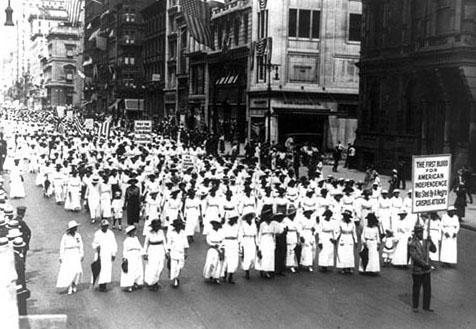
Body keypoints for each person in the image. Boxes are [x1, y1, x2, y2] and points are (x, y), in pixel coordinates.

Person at [409, 224, 436, 313]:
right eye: (419, 232)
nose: (421, 234)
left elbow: (434, 250)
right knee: (416, 288)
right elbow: (415, 257)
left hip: (426, 270)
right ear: (416, 233)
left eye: (422, 232)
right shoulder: (412, 243)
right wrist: (425, 264)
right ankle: (415, 306)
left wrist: (431, 241)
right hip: (418, 269)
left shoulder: (426, 241)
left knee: (427, 289)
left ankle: (426, 306)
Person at [56, 220, 83, 294]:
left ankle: (75, 283)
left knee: (78, 271)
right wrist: (61, 256)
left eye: (76, 227)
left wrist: (81, 254)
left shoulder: (78, 235)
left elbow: (81, 245)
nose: (76, 228)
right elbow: (62, 247)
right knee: (70, 271)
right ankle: (70, 286)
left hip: (76, 253)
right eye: (74, 227)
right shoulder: (65, 236)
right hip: (68, 253)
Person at [92, 220, 118, 292]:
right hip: (100, 254)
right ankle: (100, 284)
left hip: (108, 254)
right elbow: (94, 243)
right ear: (101, 226)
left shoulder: (110, 233)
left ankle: (104, 284)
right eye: (103, 226)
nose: (105, 227)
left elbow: (114, 244)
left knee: (107, 269)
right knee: (100, 268)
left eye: (106, 226)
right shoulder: (97, 233)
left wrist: (113, 253)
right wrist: (97, 247)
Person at [143, 219, 167, 290]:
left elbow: (164, 242)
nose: (157, 228)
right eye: (156, 226)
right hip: (152, 251)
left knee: (160, 267)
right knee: (153, 267)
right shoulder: (149, 233)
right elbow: (146, 243)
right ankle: (151, 283)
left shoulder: (161, 232)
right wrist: (145, 253)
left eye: (158, 226)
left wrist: (167, 251)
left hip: (160, 250)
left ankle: (156, 280)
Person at [120, 226, 144, 292]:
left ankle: (136, 282)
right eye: (133, 231)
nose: (135, 232)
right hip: (130, 256)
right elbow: (124, 250)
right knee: (131, 270)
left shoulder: (136, 238)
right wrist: (124, 258)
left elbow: (140, 246)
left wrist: (143, 253)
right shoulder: (126, 241)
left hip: (137, 255)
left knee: (138, 269)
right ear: (130, 232)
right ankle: (129, 285)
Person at [167, 219, 189, 288]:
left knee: (180, 267)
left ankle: (176, 277)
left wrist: (186, 252)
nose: (179, 227)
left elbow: (185, 243)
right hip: (173, 252)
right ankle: (175, 280)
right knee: (173, 267)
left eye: (180, 226)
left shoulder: (183, 233)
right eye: (177, 226)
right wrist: (168, 252)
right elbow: (169, 243)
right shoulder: (171, 233)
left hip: (181, 252)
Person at [203, 219, 225, 284]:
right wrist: (213, 245)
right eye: (214, 224)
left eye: (216, 224)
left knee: (218, 263)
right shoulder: (210, 232)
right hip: (212, 249)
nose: (215, 226)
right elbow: (208, 241)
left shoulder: (221, 232)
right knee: (210, 263)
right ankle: (208, 275)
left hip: (219, 247)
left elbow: (223, 240)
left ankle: (216, 277)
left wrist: (220, 246)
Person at [336, 209, 357, 274]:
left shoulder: (352, 223)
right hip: (343, 237)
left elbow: (354, 232)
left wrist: (355, 241)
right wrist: (336, 238)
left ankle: (349, 267)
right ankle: (343, 267)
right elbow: (338, 231)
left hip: (350, 237)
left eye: (347, 216)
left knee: (350, 253)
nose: (346, 217)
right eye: (345, 216)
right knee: (342, 253)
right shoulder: (341, 222)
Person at [239, 212, 258, 279]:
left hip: (252, 240)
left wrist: (257, 243)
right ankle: (247, 272)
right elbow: (241, 234)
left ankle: (252, 267)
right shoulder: (243, 225)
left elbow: (256, 234)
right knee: (246, 256)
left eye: (250, 217)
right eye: (248, 217)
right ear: (246, 218)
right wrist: (240, 243)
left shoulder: (254, 225)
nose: (249, 218)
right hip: (246, 240)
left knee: (252, 255)